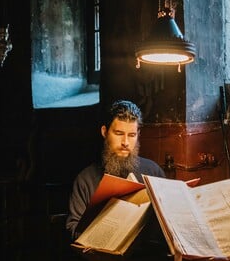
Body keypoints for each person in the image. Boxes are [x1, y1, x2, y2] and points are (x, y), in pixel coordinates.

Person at [66, 99, 166, 239]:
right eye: (119, 133)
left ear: (138, 134)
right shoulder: (85, 179)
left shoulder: (153, 171)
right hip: (102, 257)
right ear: (104, 132)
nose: (125, 142)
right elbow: (73, 229)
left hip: (148, 257)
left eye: (131, 135)